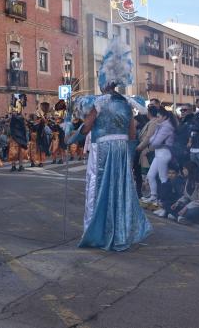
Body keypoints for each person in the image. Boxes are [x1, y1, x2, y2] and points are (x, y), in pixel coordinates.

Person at [77, 39, 152, 251]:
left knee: (97, 188)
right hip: (121, 150)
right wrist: (128, 154)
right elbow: (131, 133)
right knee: (120, 190)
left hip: (103, 150)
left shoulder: (98, 103)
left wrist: (72, 134)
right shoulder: (128, 103)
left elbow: (86, 128)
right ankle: (120, 230)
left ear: (105, 83)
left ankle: (95, 232)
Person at [140, 107, 177, 204]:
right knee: (150, 175)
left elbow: (155, 142)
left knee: (163, 177)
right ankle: (154, 196)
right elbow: (153, 141)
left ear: (164, 117)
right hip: (159, 152)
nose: (157, 118)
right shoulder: (160, 125)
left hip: (164, 153)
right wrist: (155, 133)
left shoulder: (167, 126)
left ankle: (164, 200)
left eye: (158, 116)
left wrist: (153, 139)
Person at [7, 100, 28, 172]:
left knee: (20, 152)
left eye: (15, 111)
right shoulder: (12, 118)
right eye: (13, 111)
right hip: (14, 138)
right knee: (13, 152)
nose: (14, 112)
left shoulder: (20, 118)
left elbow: (24, 128)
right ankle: (14, 166)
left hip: (20, 138)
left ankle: (20, 165)